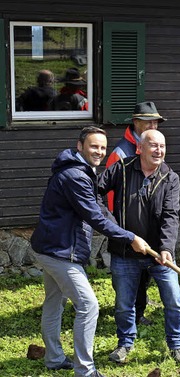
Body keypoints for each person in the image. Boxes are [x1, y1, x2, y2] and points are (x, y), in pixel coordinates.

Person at [30, 126, 148, 377]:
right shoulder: (75, 176)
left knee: (54, 303)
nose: (100, 151)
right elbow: (94, 216)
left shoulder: (82, 171)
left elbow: (99, 208)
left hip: (51, 246)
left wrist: (128, 232)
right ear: (80, 145)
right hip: (59, 251)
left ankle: (53, 359)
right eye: (94, 146)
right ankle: (85, 370)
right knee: (88, 306)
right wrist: (130, 238)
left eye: (103, 147)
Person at [98, 130, 180, 365]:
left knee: (174, 301)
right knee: (124, 304)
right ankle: (124, 344)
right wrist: (112, 224)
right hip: (125, 251)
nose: (159, 150)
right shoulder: (122, 169)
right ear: (140, 148)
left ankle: (177, 346)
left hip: (159, 254)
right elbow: (95, 192)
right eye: (153, 146)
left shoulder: (170, 178)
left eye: (162, 146)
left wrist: (166, 248)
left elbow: (171, 215)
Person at [105, 101, 166, 327]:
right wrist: (119, 226)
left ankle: (138, 310)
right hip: (126, 226)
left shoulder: (156, 145)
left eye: (156, 122)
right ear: (136, 123)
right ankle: (130, 315)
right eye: (148, 121)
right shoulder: (121, 153)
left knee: (145, 271)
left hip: (150, 223)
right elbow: (111, 195)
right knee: (127, 272)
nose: (153, 125)